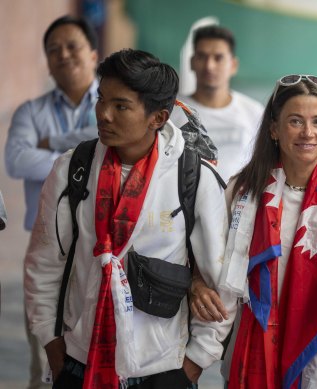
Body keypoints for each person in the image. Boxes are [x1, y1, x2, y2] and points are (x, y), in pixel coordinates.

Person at [23, 49, 234, 388]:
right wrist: (52, 343)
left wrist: (194, 364)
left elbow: (220, 281)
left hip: (163, 368)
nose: (103, 114)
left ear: (158, 117)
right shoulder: (73, 169)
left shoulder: (192, 176)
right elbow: (45, 262)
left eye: (121, 106)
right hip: (80, 362)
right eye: (101, 99)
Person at [193, 74, 317, 387]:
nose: (308, 133)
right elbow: (213, 267)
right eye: (295, 121)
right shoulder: (243, 191)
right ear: (274, 129)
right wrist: (195, 283)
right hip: (251, 353)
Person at [4, 15, 100, 389]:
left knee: (97, 358)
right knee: (44, 367)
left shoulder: (112, 104)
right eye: (53, 50)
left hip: (99, 249)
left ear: (93, 54)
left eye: (72, 46)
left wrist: (52, 146)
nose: (63, 55)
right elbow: (15, 161)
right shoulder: (30, 112)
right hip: (46, 251)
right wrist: (82, 155)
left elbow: (110, 150)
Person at [170, 25, 263, 183]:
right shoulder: (171, 111)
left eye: (218, 58)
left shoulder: (254, 112)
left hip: (236, 205)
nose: (209, 66)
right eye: (202, 56)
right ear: (192, 62)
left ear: (233, 65)